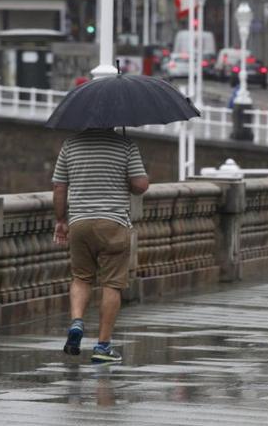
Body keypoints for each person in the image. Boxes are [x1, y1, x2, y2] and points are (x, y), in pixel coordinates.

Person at [53, 128, 150, 364]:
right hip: (113, 223)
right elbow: (140, 184)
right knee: (112, 284)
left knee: (81, 278)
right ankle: (102, 346)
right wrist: (130, 181)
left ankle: (77, 321)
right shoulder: (126, 145)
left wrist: (61, 221)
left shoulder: (70, 144)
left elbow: (59, 187)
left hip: (79, 223)